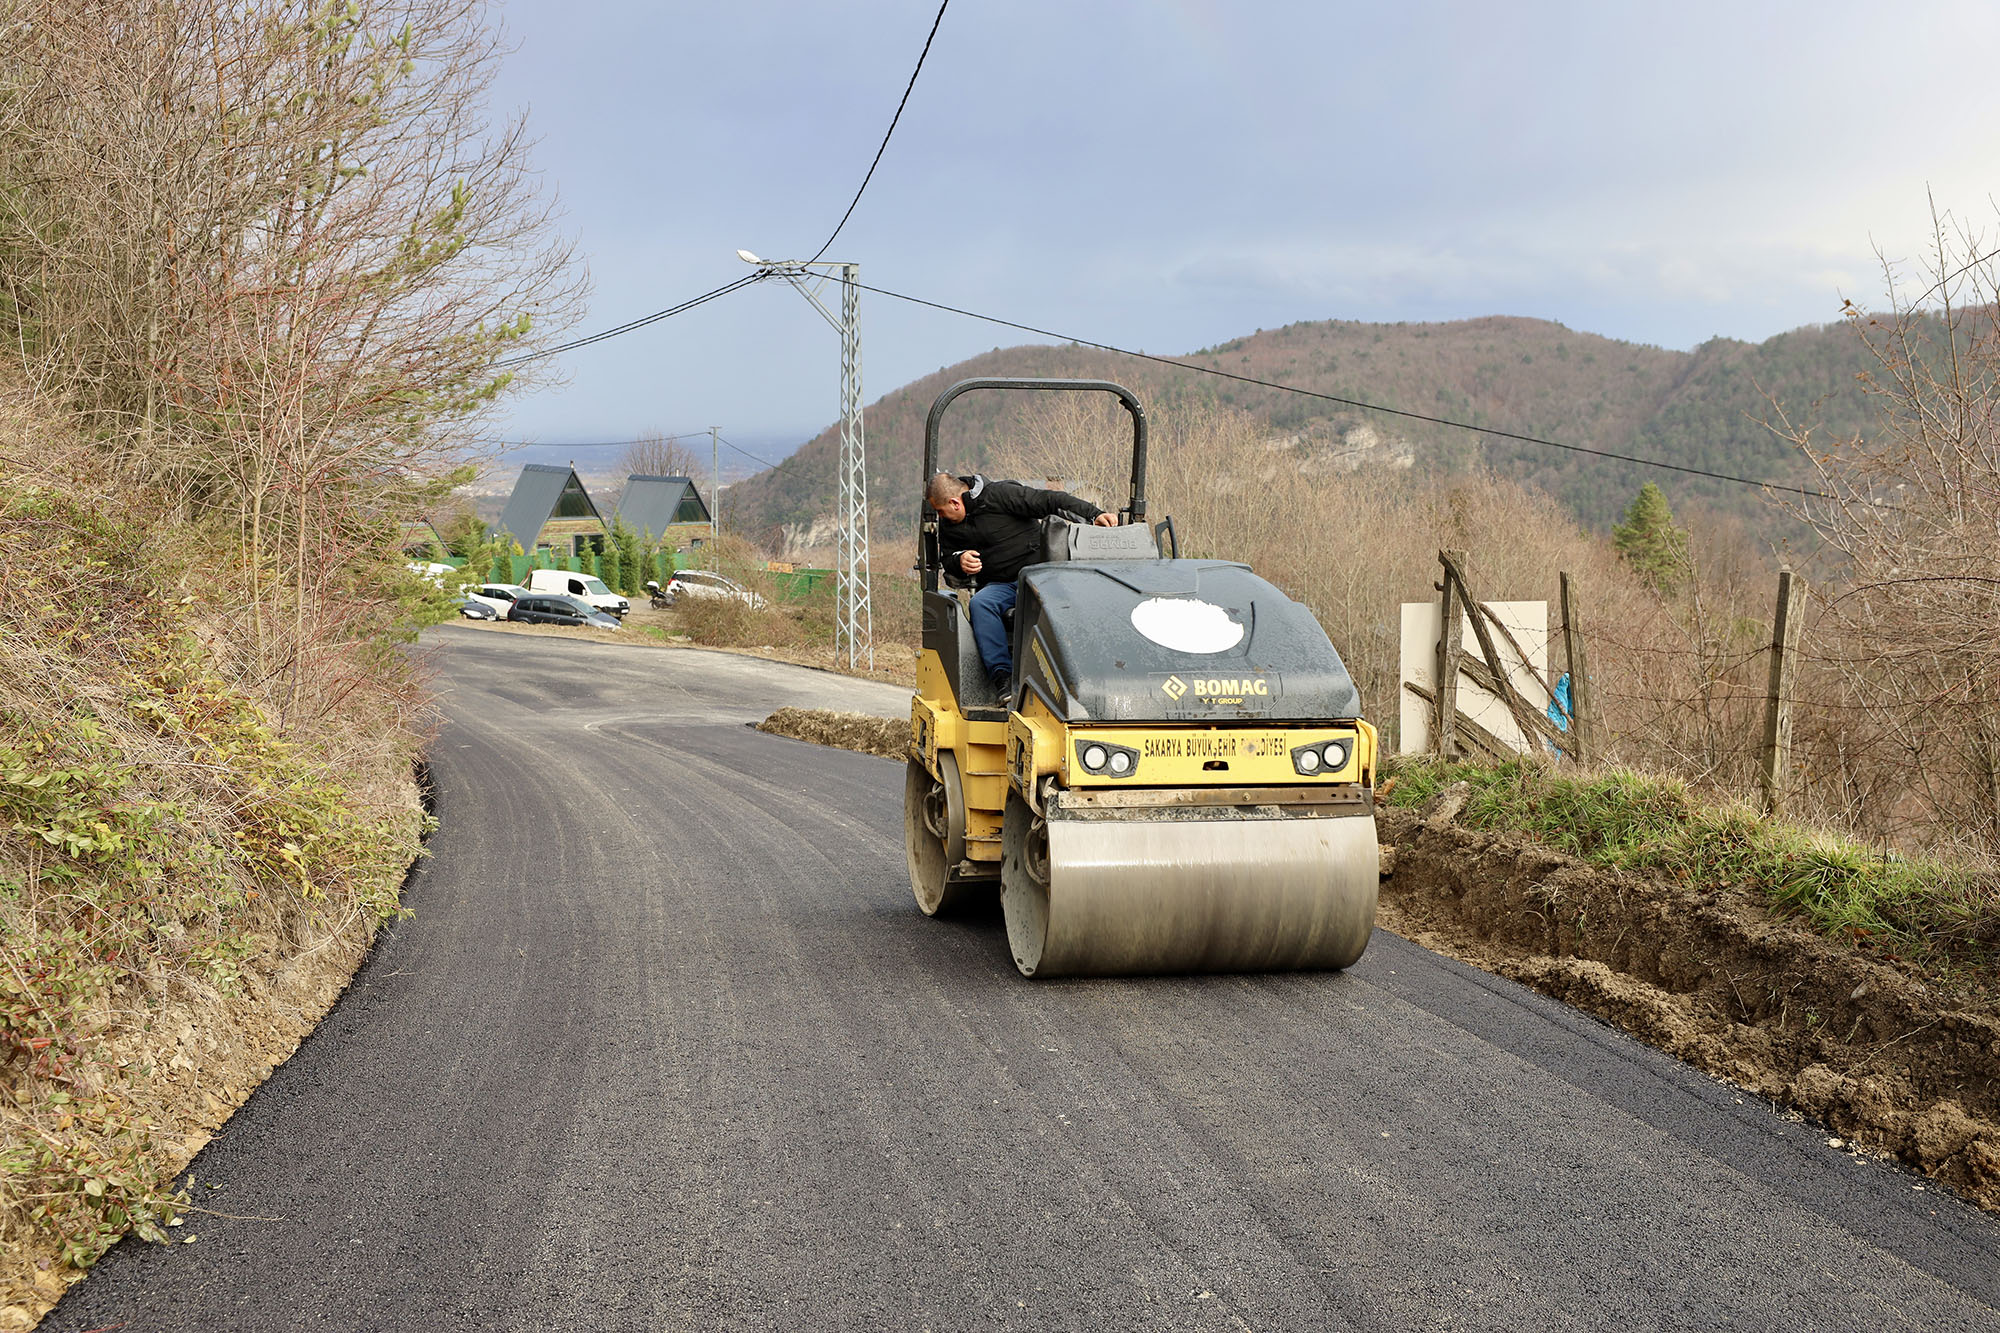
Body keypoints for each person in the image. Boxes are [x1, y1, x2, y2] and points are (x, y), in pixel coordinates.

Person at [927, 472, 1118, 694]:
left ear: (955, 503)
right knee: (981, 603)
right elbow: (948, 559)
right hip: (1001, 585)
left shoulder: (1001, 495)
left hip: (1039, 576)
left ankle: (1090, 673)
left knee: (1067, 602)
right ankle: (1003, 678)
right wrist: (959, 560)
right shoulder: (949, 525)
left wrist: (1094, 515)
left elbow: (1051, 500)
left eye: (941, 511)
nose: (940, 516)